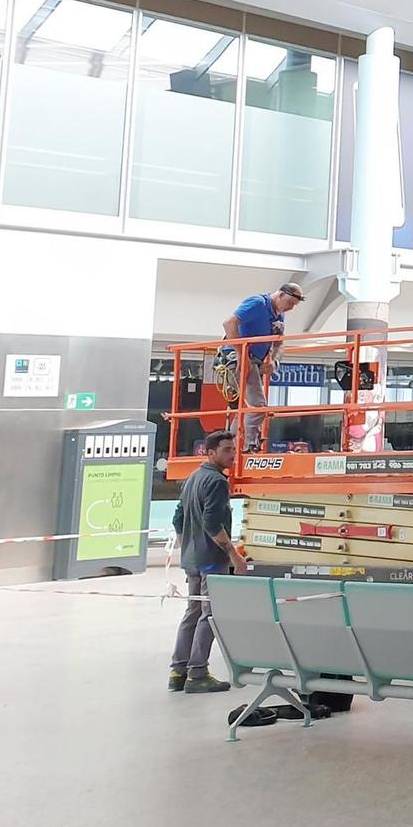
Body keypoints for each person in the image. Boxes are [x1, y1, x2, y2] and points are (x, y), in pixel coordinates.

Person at [168, 430, 247, 693]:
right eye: (226, 449)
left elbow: (178, 519)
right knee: (209, 615)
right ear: (210, 452)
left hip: (192, 558)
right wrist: (234, 555)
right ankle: (198, 673)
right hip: (211, 560)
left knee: (192, 611)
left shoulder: (192, 478)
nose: (232, 454)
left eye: (232, 449)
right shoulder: (215, 482)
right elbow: (213, 524)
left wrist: (188, 545)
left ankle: (178, 670)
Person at [222, 283, 304, 450]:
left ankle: (233, 445)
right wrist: (241, 355)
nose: (290, 309)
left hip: (254, 361)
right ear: (280, 295)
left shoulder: (278, 315)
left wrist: (274, 361)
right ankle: (245, 446)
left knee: (246, 409)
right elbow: (229, 323)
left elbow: (279, 344)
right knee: (258, 407)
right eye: (289, 303)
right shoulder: (258, 303)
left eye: (294, 306)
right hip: (238, 359)